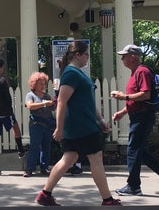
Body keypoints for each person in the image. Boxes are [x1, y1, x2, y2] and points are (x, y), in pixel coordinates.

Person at [35, 41, 121, 206]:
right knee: (96, 158)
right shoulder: (71, 74)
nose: (88, 57)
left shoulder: (77, 73)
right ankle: (107, 199)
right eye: (86, 54)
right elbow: (61, 101)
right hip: (81, 125)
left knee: (69, 158)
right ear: (77, 55)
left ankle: (45, 194)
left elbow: (87, 101)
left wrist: (101, 119)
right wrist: (59, 128)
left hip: (83, 124)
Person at [110, 44, 159, 196]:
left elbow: (145, 95)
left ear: (133, 57)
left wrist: (123, 96)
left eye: (124, 56)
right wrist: (122, 112)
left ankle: (133, 187)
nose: (122, 59)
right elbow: (137, 100)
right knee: (139, 152)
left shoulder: (142, 71)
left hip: (143, 117)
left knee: (132, 150)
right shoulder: (135, 73)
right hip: (139, 115)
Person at [23, 72, 56, 178]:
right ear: (34, 84)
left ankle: (44, 167)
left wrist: (55, 103)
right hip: (36, 124)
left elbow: (52, 109)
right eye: (40, 84)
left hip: (47, 124)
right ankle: (29, 169)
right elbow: (30, 106)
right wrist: (45, 103)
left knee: (47, 147)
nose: (43, 86)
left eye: (44, 84)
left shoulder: (47, 95)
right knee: (35, 146)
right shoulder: (30, 95)